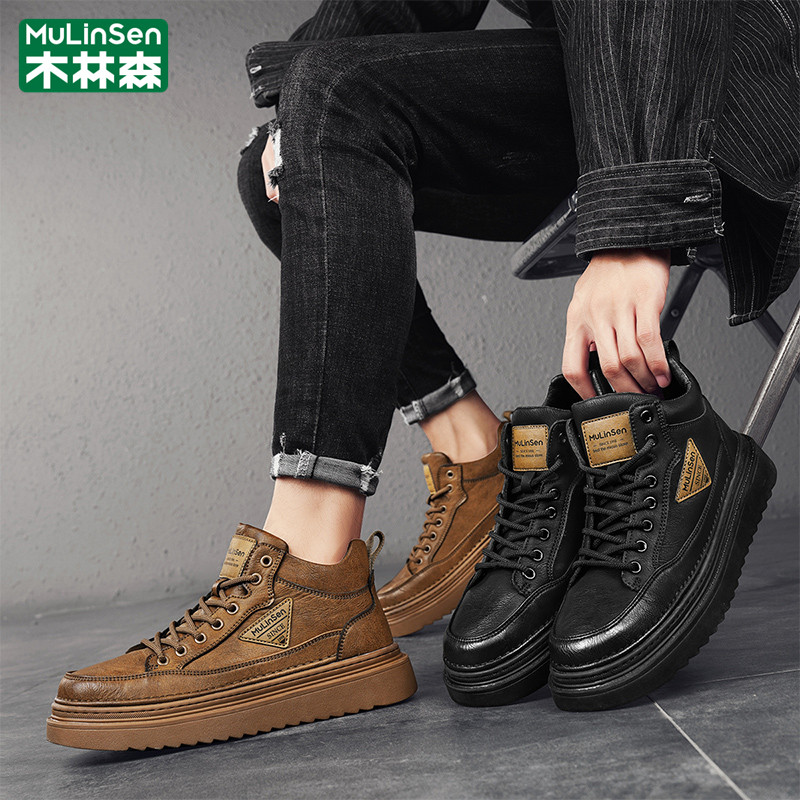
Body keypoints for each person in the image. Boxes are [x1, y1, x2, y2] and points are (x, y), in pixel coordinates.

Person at [47, 0, 797, 750]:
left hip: (736, 75)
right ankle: (476, 457)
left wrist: (636, 222)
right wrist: (293, 110)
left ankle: (308, 577)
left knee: (336, 101)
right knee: (292, 148)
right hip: (601, 69)